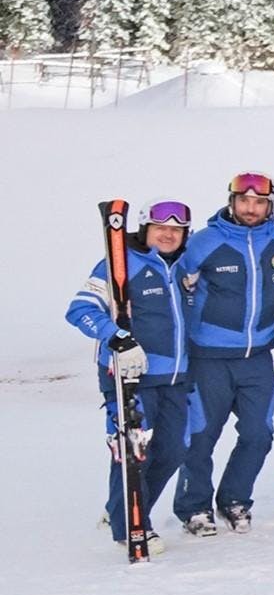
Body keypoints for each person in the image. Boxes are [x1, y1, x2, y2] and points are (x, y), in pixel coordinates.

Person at [177, 171, 274, 535]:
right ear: (232, 200)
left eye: (259, 202)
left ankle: (234, 499)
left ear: (270, 205)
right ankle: (194, 506)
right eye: (244, 201)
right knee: (202, 435)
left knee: (259, 434)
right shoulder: (203, 243)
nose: (251, 208)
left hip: (258, 357)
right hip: (208, 356)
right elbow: (165, 274)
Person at [70, 199, 197, 552]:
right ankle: (131, 526)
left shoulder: (184, 266)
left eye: (176, 230)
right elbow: (80, 308)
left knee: (172, 451)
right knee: (133, 451)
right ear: (145, 229)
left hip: (175, 376)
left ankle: (120, 509)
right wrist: (119, 339)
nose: (169, 235)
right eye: (161, 229)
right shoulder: (119, 264)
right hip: (129, 374)